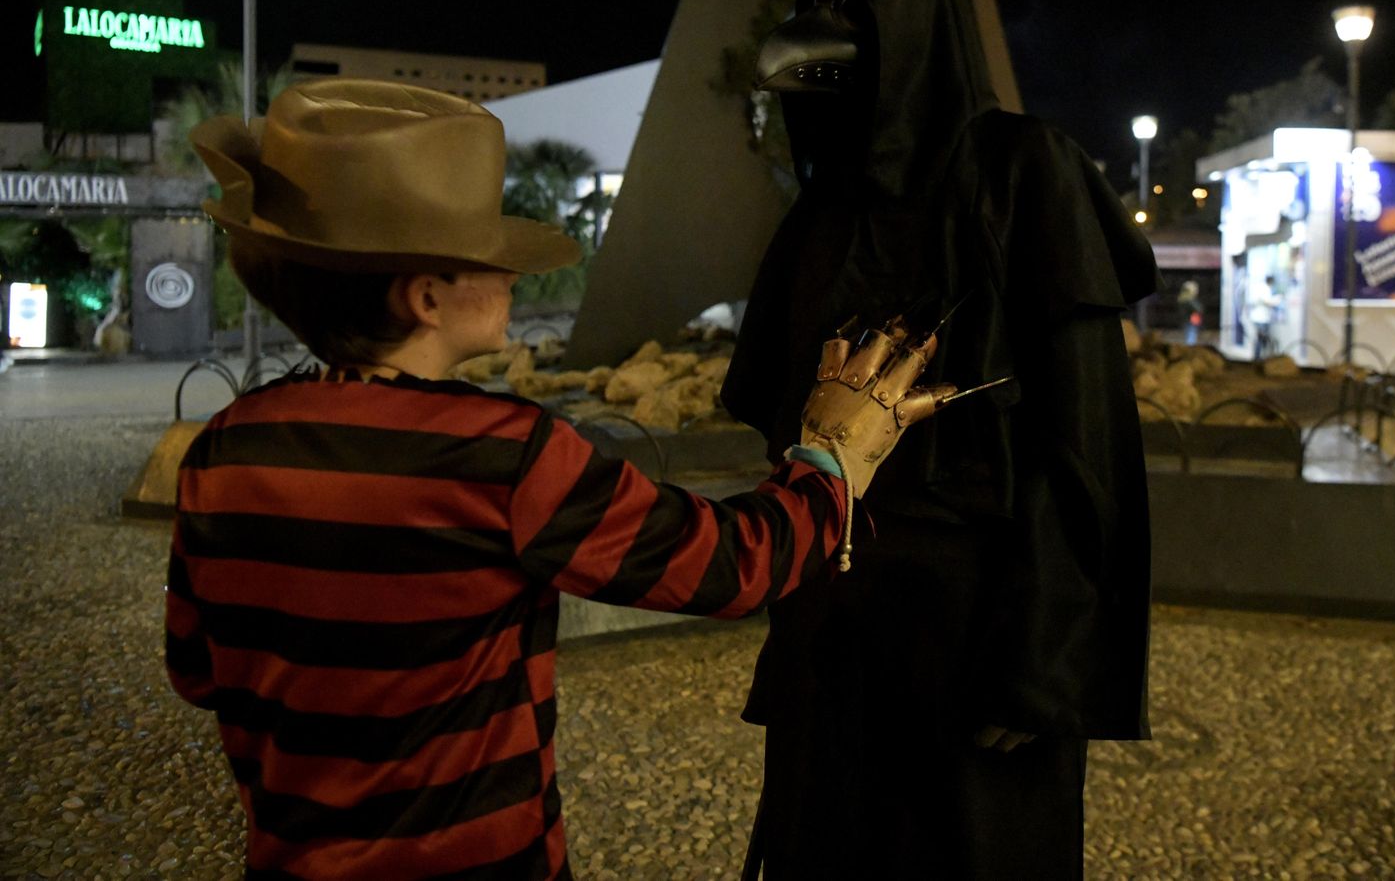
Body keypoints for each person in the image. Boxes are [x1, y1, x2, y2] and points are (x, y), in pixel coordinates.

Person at [163, 79, 947, 880]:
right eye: (489, 258)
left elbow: (196, 670)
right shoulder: (502, 454)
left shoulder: (223, 449)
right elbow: (729, 565)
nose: (513, 277)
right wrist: (831, 462)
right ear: (425, 296)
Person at [721, 0, 1159, 880]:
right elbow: (783, 427)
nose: (814, 29)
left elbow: (1082, 437)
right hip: (834, 629)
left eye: (845, 5)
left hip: (977, 635)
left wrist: (1042, 663)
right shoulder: (820, 216)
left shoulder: (1023, 170)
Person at [1178, 278, 1204, 345]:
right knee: (1191, 337)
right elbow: (1199, 309)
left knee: (1189, 335)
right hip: (1191, 320)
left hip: (1185, 320)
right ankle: (1190, 350)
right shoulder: (1189, 300)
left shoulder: (1181, 299)